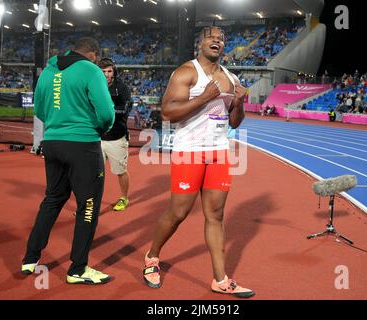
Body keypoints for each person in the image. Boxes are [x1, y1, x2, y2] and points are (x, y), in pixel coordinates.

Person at [143, 26, 254, 298]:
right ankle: (151, 256)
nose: (216, 41)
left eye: (221, 39)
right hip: (189, 151)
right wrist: (204, 97)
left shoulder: (230, 78)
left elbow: (234, 122)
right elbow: (167, 112)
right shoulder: (186, 72)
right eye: (210, 37)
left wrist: (238, 103)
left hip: (218, 152)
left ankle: (221, 279)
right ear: (200, 43)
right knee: (178, 213)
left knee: (215, 216)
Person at [21, 37, 115, 285]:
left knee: (52, 199)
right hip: (83, 144)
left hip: (52, 143)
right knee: (89, 205)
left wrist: (56, 123)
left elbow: (39, 110)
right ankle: (78, 269)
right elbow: (106, 112)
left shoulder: (48, 71)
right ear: (94, 54)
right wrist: (101, 127)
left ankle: (30, 258)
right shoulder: (90, 70)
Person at [98, 58, 133, 212]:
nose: (106, 74)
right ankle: (91, 203)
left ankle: (124, 198)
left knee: (120, 171)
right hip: (97, 137)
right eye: (103, 71)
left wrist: (105, 110)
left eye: (109, 71)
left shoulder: (122, 87)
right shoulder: (94, 86)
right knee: (93, 173)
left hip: (116, 137)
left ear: (114, 71)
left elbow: (125, 109)